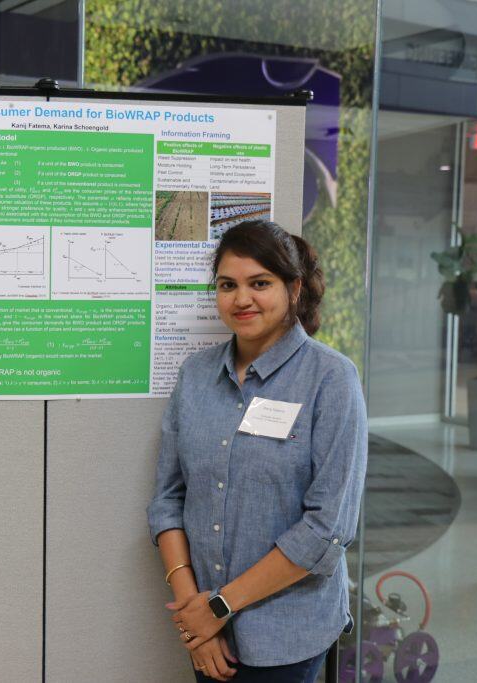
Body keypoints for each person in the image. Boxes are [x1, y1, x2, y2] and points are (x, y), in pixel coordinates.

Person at [147, 220, 367, 682]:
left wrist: (221, 606)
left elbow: (327, 528)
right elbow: (168, 501)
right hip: (205, 632)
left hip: (289, 637)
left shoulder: (331, 379)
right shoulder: (196, 376)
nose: (241, 299)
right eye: (228, 285)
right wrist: (198, 620)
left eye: (260, 283)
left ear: (294, 288)